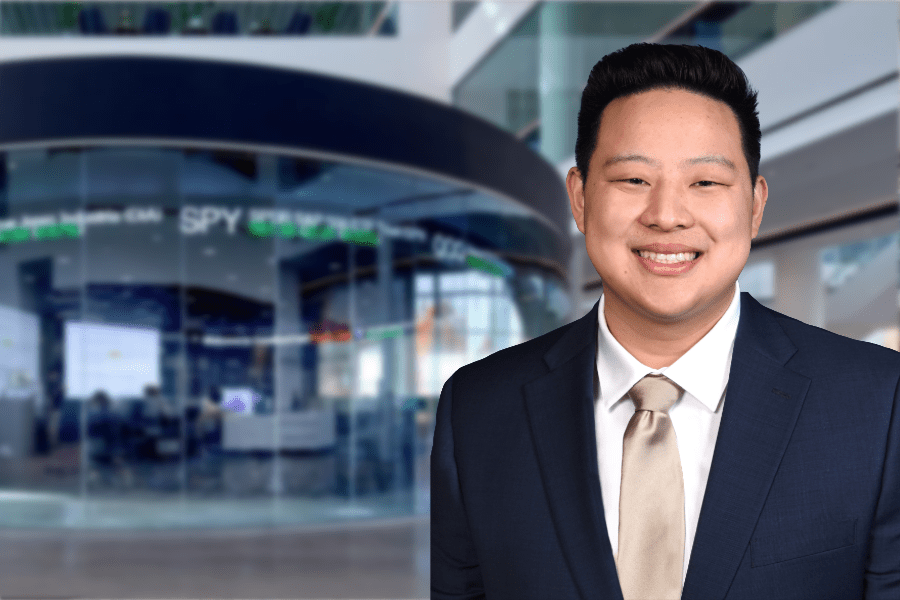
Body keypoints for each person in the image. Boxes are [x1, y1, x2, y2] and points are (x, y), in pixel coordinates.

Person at [431, 43, 900, 600]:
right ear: (580, 199)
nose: (667, 215)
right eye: (633, 180)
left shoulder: (876, 404)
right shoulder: (479, 407)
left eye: (705, 183)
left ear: (754, 204)